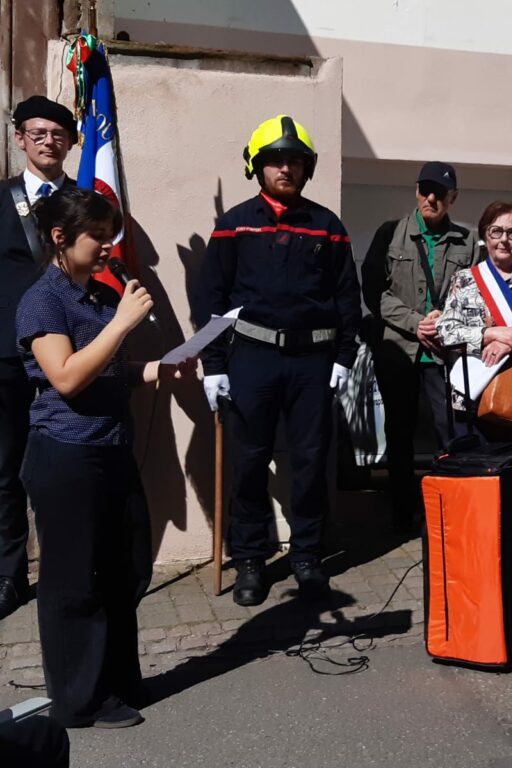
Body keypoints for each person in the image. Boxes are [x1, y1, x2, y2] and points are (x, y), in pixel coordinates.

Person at [17, 187, 193, 727]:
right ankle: (80, 701)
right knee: (75, 582)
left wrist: (157, 369)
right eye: (97, 236)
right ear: (60, 237)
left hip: (111, 447)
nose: (107, 247)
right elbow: (67, 377)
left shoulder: (95, 295)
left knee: (128, 567)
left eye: (109, 235)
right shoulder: (41, 301)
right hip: (67, 455)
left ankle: (115, 679)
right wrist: (121, 324)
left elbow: (106, 369)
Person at [200, 115, 360, 606]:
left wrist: (344, 356)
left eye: (295, 160)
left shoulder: (328, 226)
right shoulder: (234, 225)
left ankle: (308, 555)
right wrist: (214, 364)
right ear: (257, 166)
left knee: (311, 463)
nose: (285, 169)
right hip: (252, 359)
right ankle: (250, 559)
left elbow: (347, 297)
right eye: (275, 160)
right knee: (248, 462)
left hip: (313, 363)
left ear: (307, 168)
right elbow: (212, 297)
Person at [361, 162, 478, 528]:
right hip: (399, 348)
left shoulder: (468, 241)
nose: (431, 198)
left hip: (444, 351)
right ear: (416, 190)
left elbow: (474, 292)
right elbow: (373, 291)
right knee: (400, 431)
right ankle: (402, 511)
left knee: (449, 429)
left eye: (439, 193)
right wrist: (416, 323)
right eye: (425, 190)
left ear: (453, 197)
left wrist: (442, 323)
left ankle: (448, 509)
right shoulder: (389, 233)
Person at [0, 96, 77, 620]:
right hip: (6, 356)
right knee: (4, 469)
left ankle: (68, 568)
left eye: (58, 134)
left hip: (68, 356)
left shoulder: (87, 201)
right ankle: (9, 573)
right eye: (38, 133)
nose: (48, 141)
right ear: (20, 139)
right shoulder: (1, 198)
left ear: (70, 143)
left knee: (65, 466)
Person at [435, 201, 512, 437]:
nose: (504, 240)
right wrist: (489, 334)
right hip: (470, 397)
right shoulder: (464, 279)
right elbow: (445, 331)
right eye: (496, 231)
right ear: (485, 235)